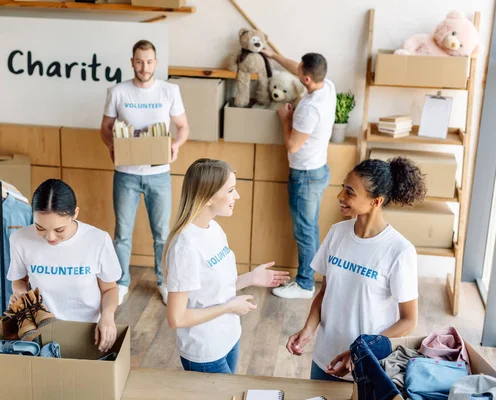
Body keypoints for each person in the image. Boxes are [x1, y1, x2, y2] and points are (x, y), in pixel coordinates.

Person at [285, 157, 427, 382]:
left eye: (350, 192)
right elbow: (325, 292)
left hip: (366, 366)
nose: (340, 196)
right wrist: (308, 330)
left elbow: (408, 321)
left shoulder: (400, 251)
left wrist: (362, 350)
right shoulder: (337, 233)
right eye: (343, 188)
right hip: (325, 358)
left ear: (376, 201)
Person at [165, 158, 291, 374]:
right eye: (231, 190)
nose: (237, 196)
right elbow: (177, 318)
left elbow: (213, 289)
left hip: (229, 337)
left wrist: (251, 278)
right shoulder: (184, 247)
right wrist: (229, 307)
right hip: (205, 351)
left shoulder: (213, 228)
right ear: (208, 197)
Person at [100, 39, 190, 306]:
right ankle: (122, 282)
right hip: (126, 173)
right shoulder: (117, 91)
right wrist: (111, 146)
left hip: (159, 173)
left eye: (149, 61)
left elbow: (183, 127)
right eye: (139, 61)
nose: (144, 66)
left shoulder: (169, 91)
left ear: (156, 62)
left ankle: (163, 281)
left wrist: (176, 144)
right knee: (122, 234)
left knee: (162, 234)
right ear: (132, 62)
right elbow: (105, 128)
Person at [7, 179, 122, 353]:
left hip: (88, 332)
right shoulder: (20, 239)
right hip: (42, 332)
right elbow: (20, 280)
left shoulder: (98, 240)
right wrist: (20, 294)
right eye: (40, 228)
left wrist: (107, 316)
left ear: (75, 213)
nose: (50, 237)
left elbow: (109, 289)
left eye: (59, 230)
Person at [261, 50, 336, 300]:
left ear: (306, 79)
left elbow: (293, 145)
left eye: (300, 70)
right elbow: (297, 67)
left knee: (305, 231)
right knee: (310, 228)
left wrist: (286, 119)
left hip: (305, 175)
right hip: (319, 170)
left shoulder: (309, 109)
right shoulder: (328, 87)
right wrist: (272, 55)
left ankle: (305, 284)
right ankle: (308, 279)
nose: (297, 69)